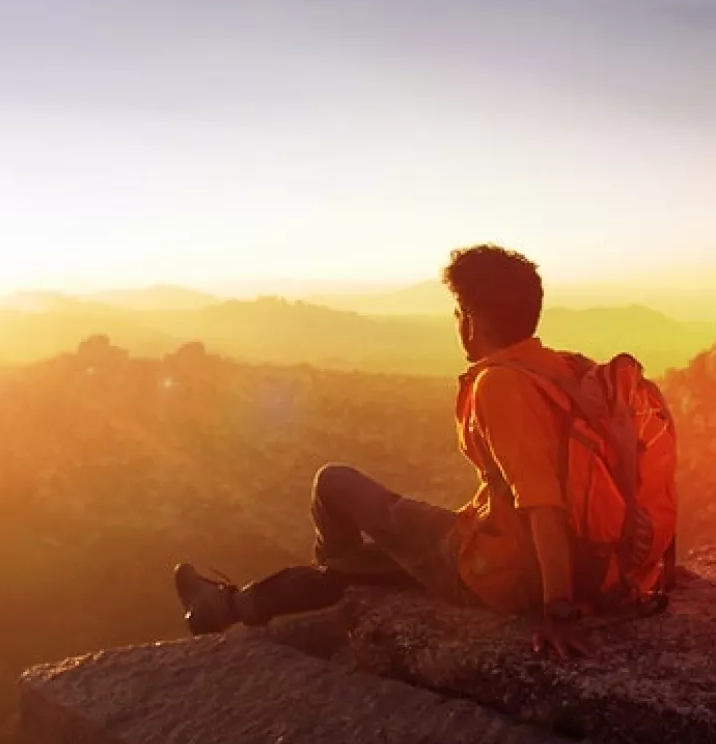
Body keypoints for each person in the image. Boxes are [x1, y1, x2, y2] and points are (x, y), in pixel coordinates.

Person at [173, 244, 594, 659]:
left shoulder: (500, 384)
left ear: (473, 319)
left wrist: (557, 609)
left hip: (502, 574)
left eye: (458, 311)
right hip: (583, 566)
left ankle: (316, 589)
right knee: (382, 556)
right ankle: (231, 606)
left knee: (333, 484)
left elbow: (544, 504)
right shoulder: (568, 370)